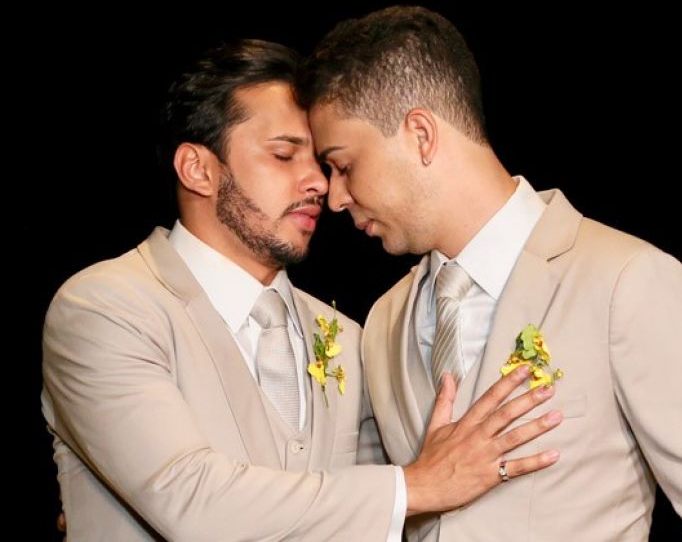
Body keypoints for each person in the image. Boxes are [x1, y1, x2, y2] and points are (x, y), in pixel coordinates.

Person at [298, 6, 682, 540]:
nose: (335, 197)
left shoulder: (627, 282)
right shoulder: (382, 322)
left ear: (421, 134)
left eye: (343, 166)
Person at [41, 39, 563, 541]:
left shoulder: (349, 337)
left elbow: (378, 522)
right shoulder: (104, 309)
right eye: (284, 155)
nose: (319, 183)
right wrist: (416, 485)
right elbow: (189, 499)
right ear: (198, 169)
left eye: (323, 163)